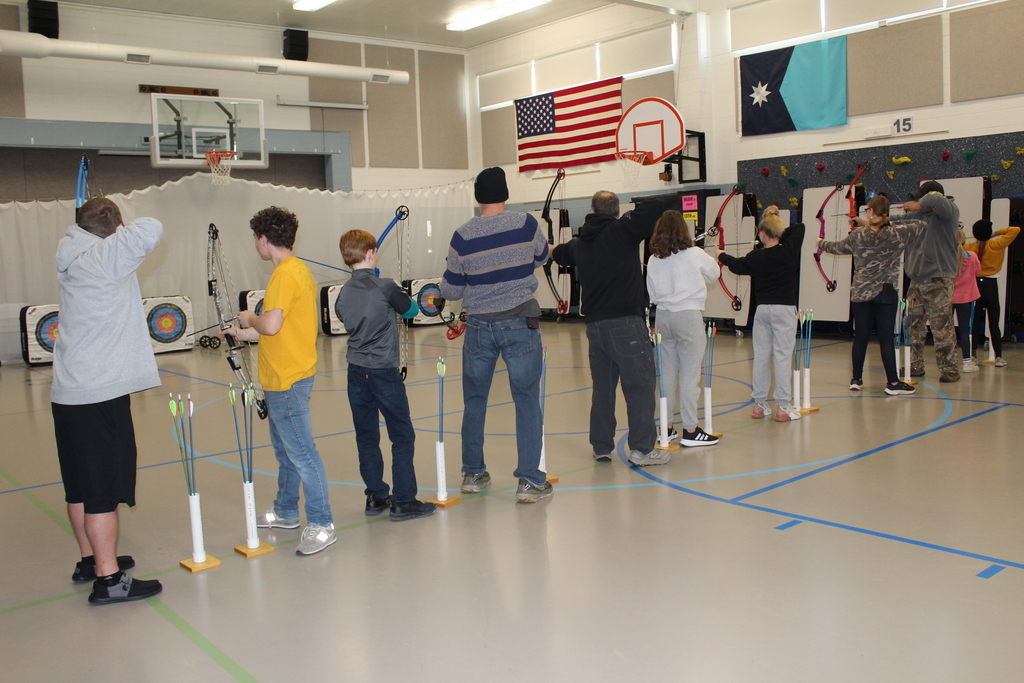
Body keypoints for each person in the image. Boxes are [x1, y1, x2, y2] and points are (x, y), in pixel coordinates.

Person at [50, 197, 164, 605]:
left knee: (79, 487)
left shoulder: (72, 251)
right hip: (98, 393)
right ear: (113, 228)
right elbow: (151, 227)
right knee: (101, 491)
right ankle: (109, 579)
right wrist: (119, 225)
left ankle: (89, 560)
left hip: (68, 393)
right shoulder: (103, 258)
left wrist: (97, 226)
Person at [222, 206, 335, 555]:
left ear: (264, 239)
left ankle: (322, 523)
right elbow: (276, 331)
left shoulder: (286, 274)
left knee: (302, 453)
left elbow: (268, 325)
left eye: (256, 238)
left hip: (288, 380)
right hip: (277, 379)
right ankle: (286, 512)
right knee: (286, 451)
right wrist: (241, 333)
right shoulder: (291, 272)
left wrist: (250, 316)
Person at [440, 167, 553, 503]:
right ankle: (530, 481)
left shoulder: (462, 235)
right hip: (519, 323)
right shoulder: (528, 224)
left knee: (475, 402)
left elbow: (452, 289)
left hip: (478, 327)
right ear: (504, 194)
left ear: (478, 198)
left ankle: (473, 474)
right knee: (527, 401)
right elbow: (543, 256)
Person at [551, 190, 671, 466]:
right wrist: (634, 206)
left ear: (592, 212)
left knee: (603, 389)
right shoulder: (622, 230)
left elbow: (559, 254)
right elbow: (655, 205)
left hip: (595, 329)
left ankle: (601, 445)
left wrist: (549, 250)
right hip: (626, 326)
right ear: (616, 212)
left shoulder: (581, 243)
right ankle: (642, 449)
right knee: (640, 385)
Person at [335, 229, 436, 521]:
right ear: (370, 254)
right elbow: (412, 310)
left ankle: (376, 496)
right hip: (383, 373)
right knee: (402, 435)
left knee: (366, 436)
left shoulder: (344, 291)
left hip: (356, 372)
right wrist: (393, 289)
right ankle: (403, 500)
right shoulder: (385, 286)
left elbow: (344, 316)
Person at [819, 195, 922, 395]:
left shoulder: (858, 235)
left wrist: (820, 242)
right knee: (885, 339)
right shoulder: (897, 233)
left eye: (868, 212)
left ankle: (856, 379)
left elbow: (837, 247)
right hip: (885, 293)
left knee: (861, 337)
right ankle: (892, 383)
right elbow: (920, 224)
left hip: (860, 292)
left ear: (872, 213)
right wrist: (883, 220)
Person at [717, 205, 804, 421]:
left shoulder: (756, 256)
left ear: (762, 235)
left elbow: (736, 265)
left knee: (762, 357)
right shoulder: (789, 250)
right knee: (783, 357)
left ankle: (759, 405)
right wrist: (773, 218)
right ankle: (783, 407)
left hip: (763, 311)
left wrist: (722, 255)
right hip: (784, 309)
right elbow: (799, 227)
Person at [646, 210, 720, 446]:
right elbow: (714, 275)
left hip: (663, 318)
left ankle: (665, 427)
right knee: (689, 377)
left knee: (666, 375)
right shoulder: (695, 253)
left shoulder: (654, 259)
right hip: (687, 317)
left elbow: (652, 292)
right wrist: (715, 256)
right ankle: (690, 430)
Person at [891, 180, 961, 382]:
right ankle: (915, 365)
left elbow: (934, 199)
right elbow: (896, 221)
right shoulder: (918, 216)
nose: (917, 201)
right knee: (912, 324)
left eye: (921, 197)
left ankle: (949, 369)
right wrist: (872, 221)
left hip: (939, 278)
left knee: (942, 326)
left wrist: (920, 203)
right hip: (917, 279)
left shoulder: (949, 212)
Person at [965, 219, 1020, 367]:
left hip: (976, 285)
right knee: (993, 322)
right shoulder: (996, 244)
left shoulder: (969, 246)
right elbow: (1015, 230)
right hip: (990, 285)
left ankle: (973, 355)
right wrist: (995, 233)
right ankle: (999, 357)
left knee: (975, 321)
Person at [953, 230, 981, 373]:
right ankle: (967, 362)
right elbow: (978, 271)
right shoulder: (972, 256)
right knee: (964, 331)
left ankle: (948, 362)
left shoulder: (947, 257)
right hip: (966, 298)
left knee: (947, 331)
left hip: (949, 297)